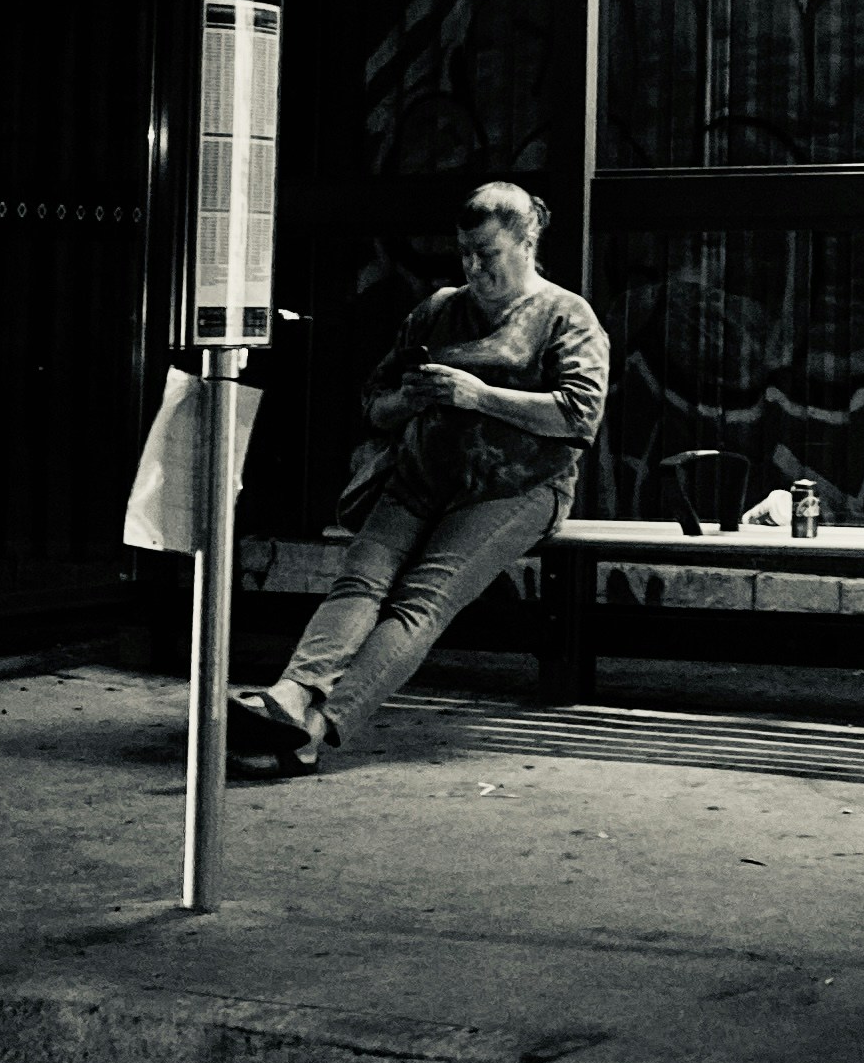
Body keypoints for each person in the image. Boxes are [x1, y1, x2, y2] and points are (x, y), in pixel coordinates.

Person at [226, 182, 609, 772]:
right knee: (359, 582)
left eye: (489, 253)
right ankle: (291, 694)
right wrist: (405, 401)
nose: (474, 267)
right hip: (421, 475)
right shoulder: (438, 310)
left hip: (518, 486)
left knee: (419, 603)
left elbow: (579, 415)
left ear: (527, 242)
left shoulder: (566, 314)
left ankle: (316, 729)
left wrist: (480, 397)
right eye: (465, 253)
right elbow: (372, 404)